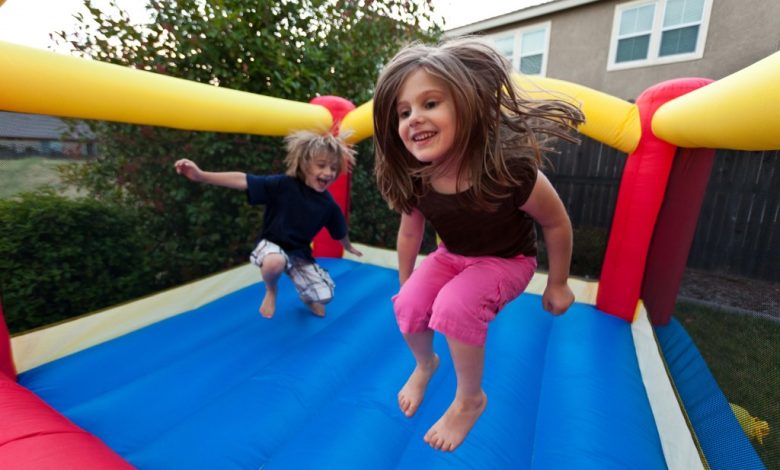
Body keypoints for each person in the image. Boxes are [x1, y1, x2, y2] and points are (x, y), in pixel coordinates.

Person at [373, 38, 584, 452]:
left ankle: (470, 399)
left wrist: (557, 283)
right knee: (409, 303)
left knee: (454, 306)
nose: (414, 118)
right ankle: (425, 363)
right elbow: (410, 235)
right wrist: (407, 283)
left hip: (508, 260)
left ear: (467, 105)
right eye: (404, 111)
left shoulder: (508, 171)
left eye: (430, 104)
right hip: (451, 256)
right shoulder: (418, 178)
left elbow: (556, 224)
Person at [174, 130, 362, 319]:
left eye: (334, 168)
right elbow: (243, 180)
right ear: (305, 164)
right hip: (272, 245)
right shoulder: (284, 185)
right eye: (322, 165)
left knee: (325, 296)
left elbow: (339, 230)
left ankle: (307, 296)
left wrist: (348, 246)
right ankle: (271, 289)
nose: (328, 173)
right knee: (275, 262)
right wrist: (202, 176)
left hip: (299, 253)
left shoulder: (328, 204)